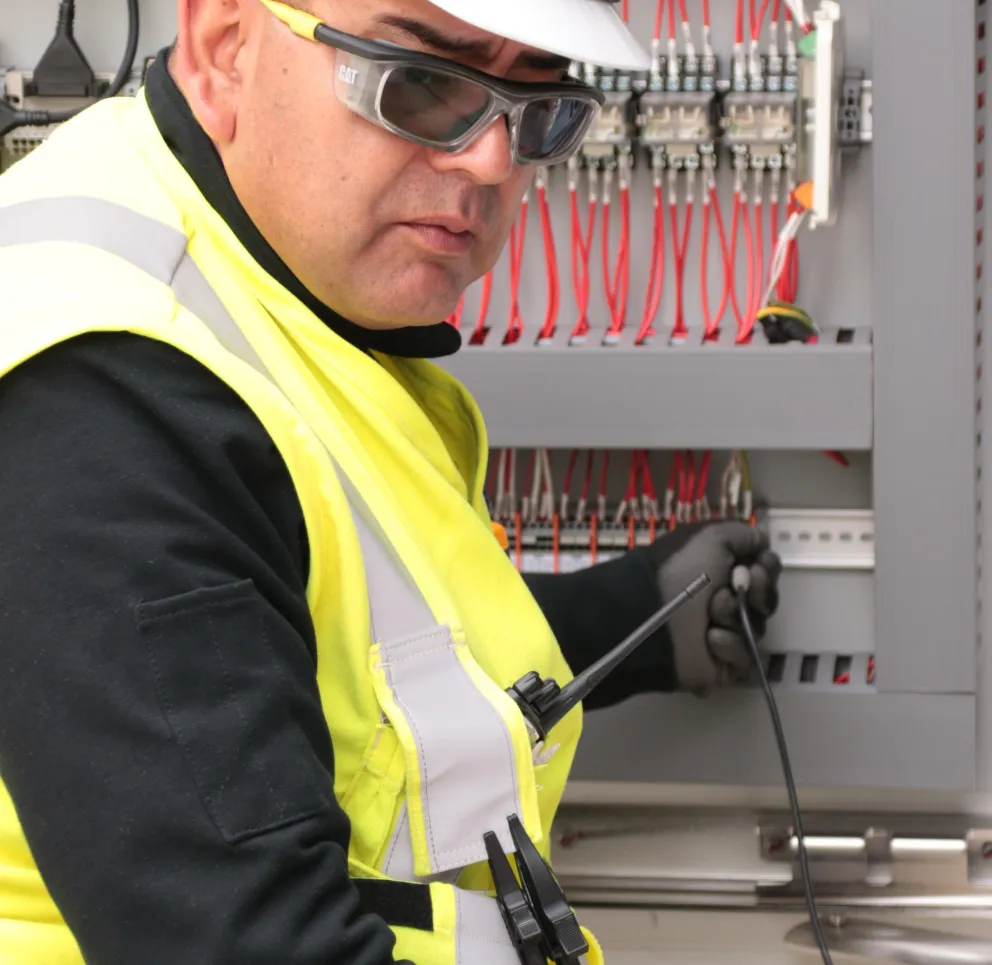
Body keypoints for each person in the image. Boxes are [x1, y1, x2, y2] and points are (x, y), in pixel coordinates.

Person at [0, 0, 782, 962]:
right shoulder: (105, 391)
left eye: (537, 106)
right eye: (421, 84)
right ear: (226, 48)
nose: (492, 161)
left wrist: (623, 613)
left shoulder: (252, 281)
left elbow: (323, 647)